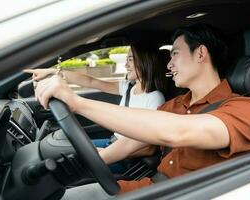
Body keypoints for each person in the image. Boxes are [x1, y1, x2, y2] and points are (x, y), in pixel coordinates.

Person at [33, 24, 250, 199]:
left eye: (174, 54)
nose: (169, 64)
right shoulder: (174, 105)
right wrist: (88, 161)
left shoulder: (242, 109)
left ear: (201, 54)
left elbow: (179, 132)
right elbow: (133, 143)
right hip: (150, 187)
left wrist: (78, 103)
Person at [25, 44, 167, 173]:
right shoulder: (128, 87)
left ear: (145, 61)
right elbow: (91, 81)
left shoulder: (155, 98)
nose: (126, 64)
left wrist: (106, 153)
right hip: (111, 142)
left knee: (69, 166)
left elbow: (149, 147)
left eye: (130, 59)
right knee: (63, 151)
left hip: (125, 157)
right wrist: (51, 72)